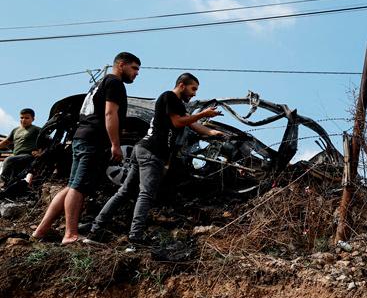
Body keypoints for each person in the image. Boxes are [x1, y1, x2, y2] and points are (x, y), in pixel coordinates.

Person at [88, 73, 223, 244]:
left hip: (143, 150)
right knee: (145, 195)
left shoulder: (177, 104)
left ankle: (95, 230)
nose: (195, 93)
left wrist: (213, 133)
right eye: (193, 88)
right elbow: (178, 123)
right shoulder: (169, 97)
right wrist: (203, 114)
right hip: (152, 152)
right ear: (182, 85)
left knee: (124, 192)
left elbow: (191, 124)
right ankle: (135, 239)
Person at [32, 52, 141, 244]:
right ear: (121, 65)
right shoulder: (115, 83)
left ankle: (41, 230)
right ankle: (70, 234)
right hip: (93, 141)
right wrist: (116, 144)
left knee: (72, 185)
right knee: (79, 187)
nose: (137, 73)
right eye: (134, 68)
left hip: (81, 138)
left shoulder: (98, 84)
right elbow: (110, 113)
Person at [0, 108, 41, 187]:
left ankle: (2, 182)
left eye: (27, 118)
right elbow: (6, 142)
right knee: (13, 179)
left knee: (8, 160)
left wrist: (40, 152)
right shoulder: (15, 130)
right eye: (21, 118)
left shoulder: (36, 129)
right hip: (16, 157)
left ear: (33, 119)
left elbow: (48, 141)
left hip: (28, 156)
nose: (23, 120)